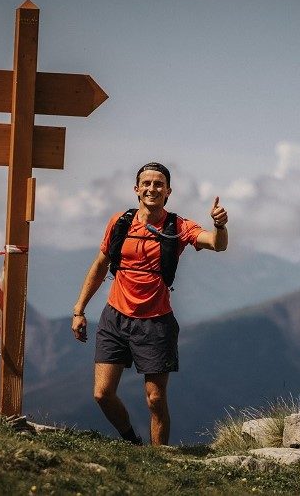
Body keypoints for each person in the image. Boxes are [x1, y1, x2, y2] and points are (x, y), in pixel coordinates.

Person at [71, 162, 228, 445]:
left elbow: (217, 244)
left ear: (168, 191)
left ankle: (158, 460)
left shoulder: (178, 226)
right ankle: (132, 442)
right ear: (136, 189)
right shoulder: (119, 222)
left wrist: (219, 224)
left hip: (156, 322)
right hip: (114, 318)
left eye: (158, 184)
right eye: (146, 183)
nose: (152, 188)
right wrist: (79, 310)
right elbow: (99, 265)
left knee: (155, 399)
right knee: (102, 394)